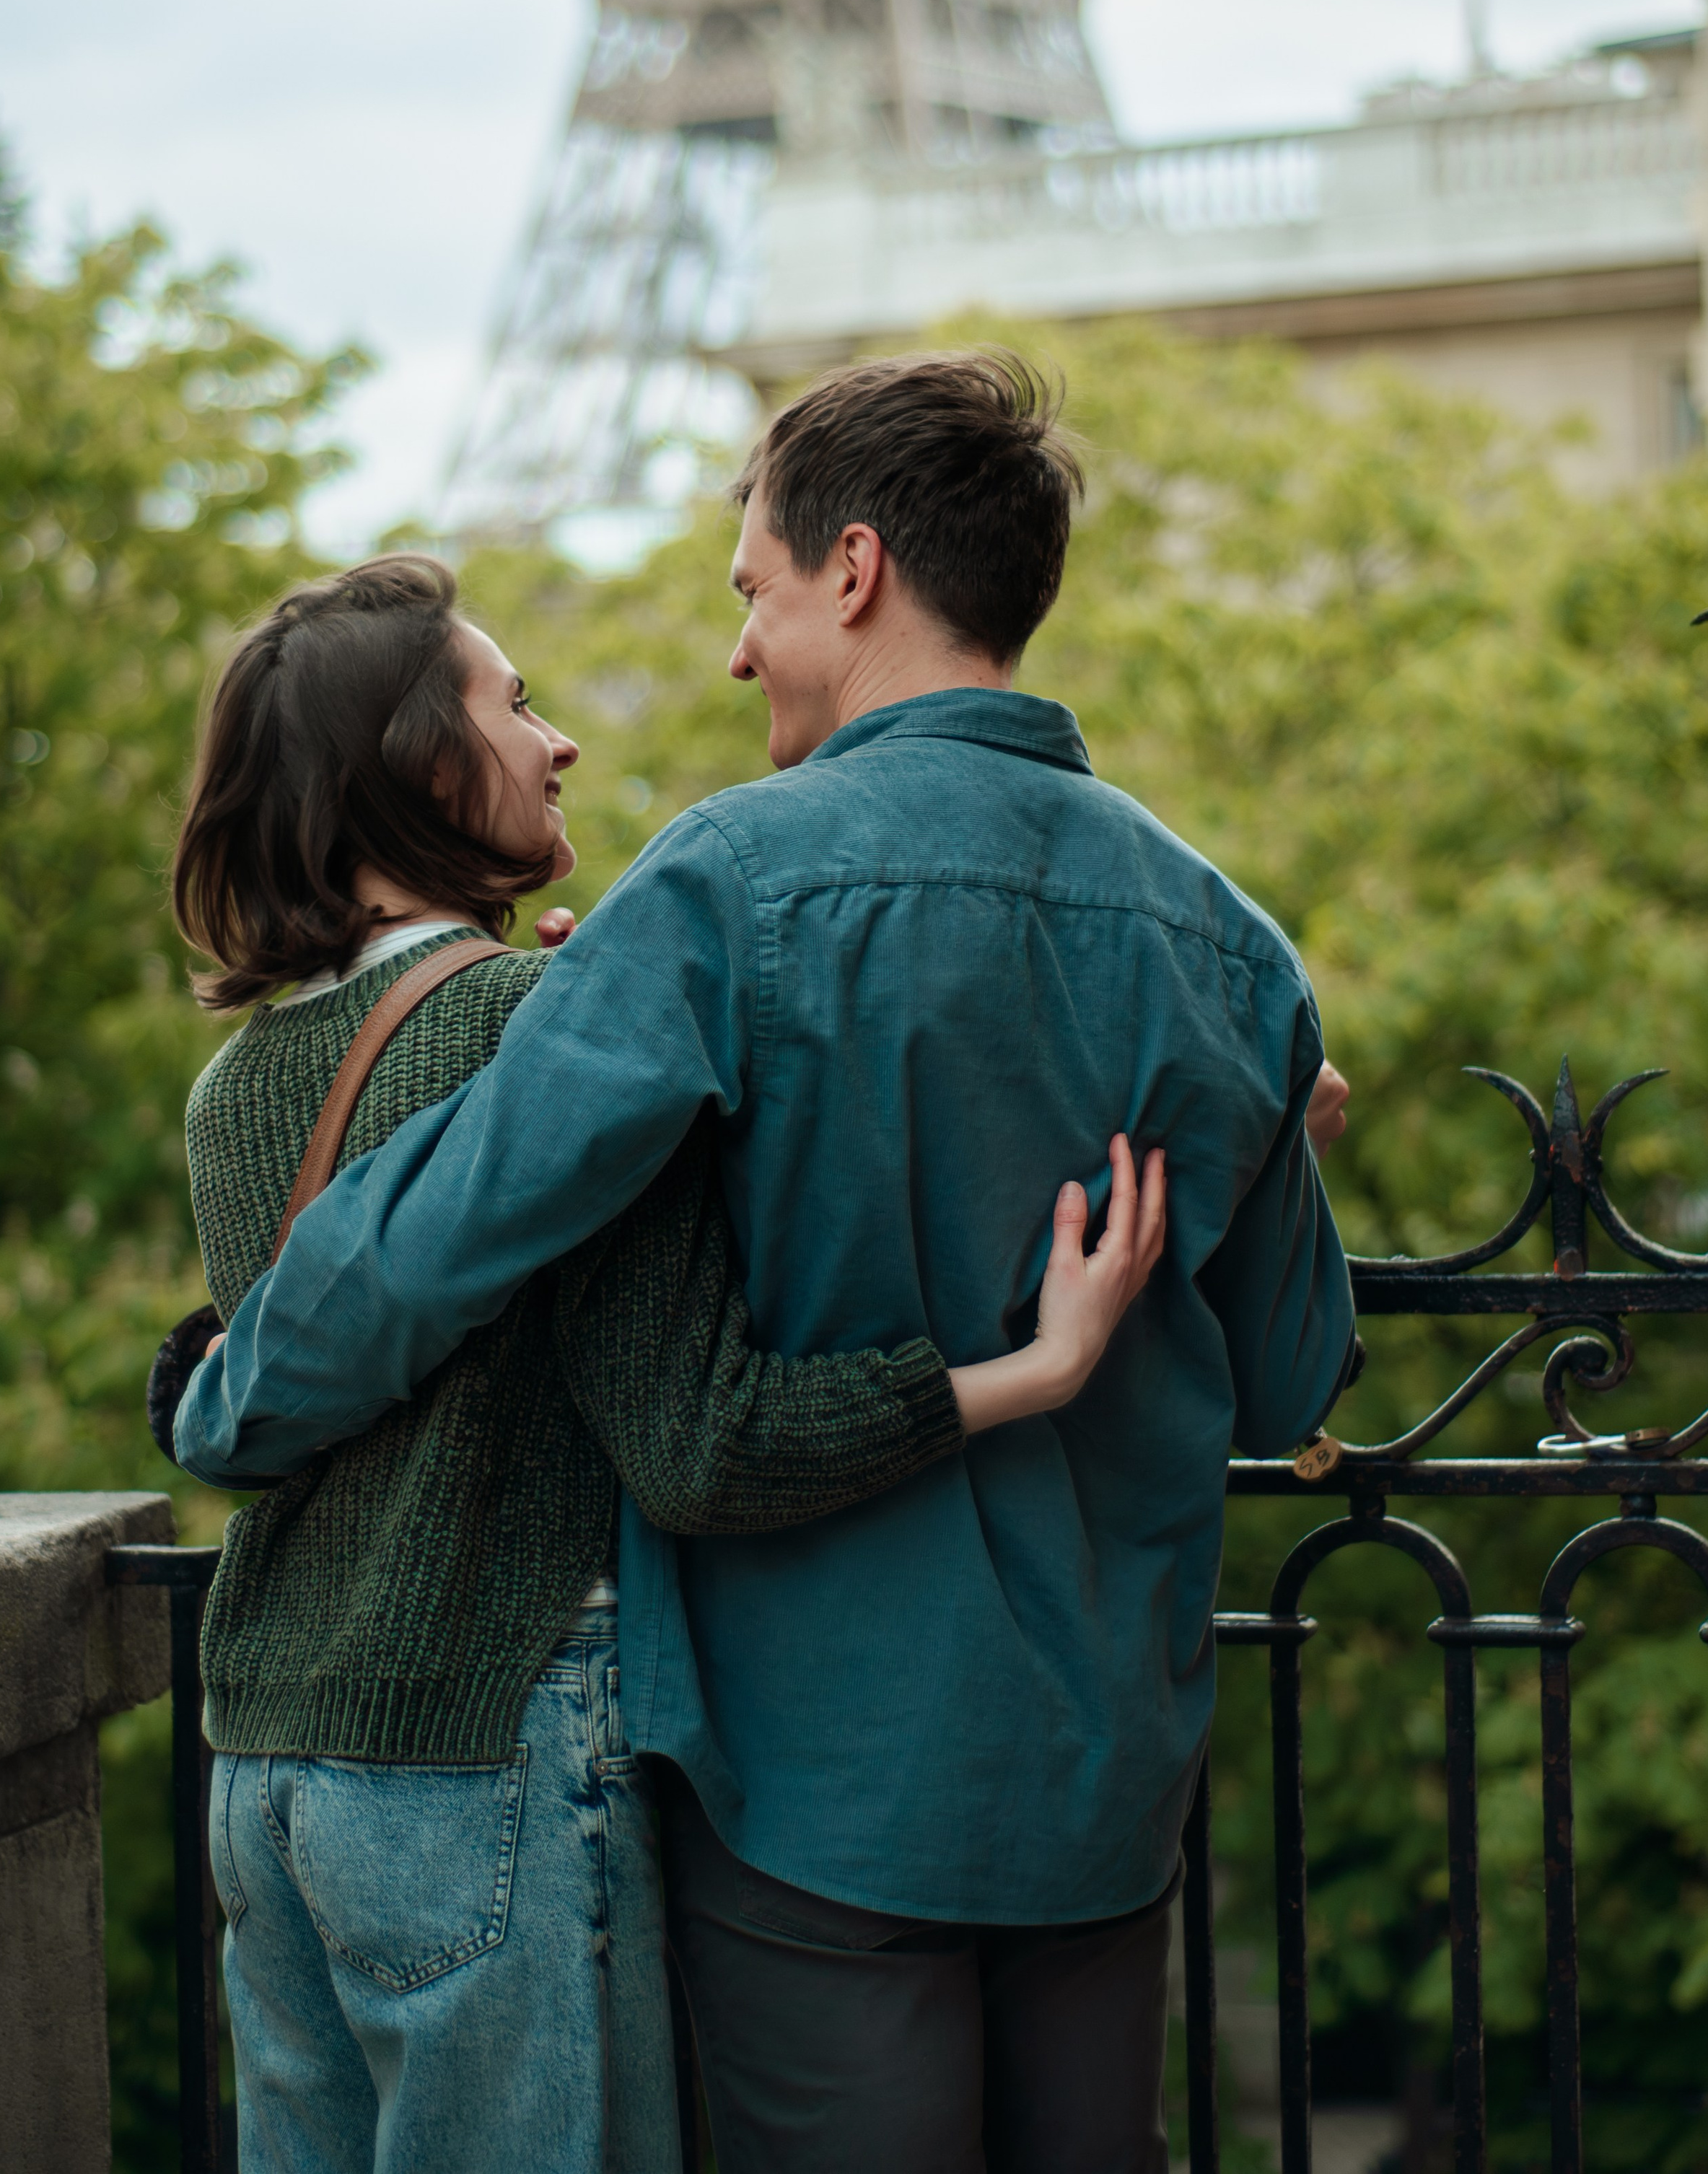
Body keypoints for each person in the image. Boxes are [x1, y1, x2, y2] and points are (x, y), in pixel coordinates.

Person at [178, 352, 1358, 2174]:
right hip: (1106, 1786)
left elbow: (437, 1227)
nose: (737, 647)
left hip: (811, 1787)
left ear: (855, 570)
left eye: (751, 587)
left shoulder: (724, 886)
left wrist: (231, 1398)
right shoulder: (1223, 937)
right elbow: (1290, 1378)